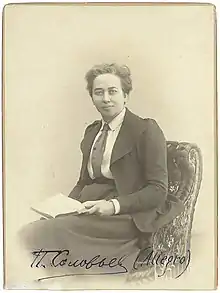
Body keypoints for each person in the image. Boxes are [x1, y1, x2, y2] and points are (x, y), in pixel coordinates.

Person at [18, 63, 184, 278]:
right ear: (92, 98)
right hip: (90, 208)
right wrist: (62, 207)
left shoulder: (146, 130)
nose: (105, 98)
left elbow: (157, 190)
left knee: (35, 235)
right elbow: (83, 182)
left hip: (127, 215)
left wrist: (112, 206)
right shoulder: (93, 132)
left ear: (126, 96)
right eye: (99, 92)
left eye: (113, 91)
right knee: (41, 228)